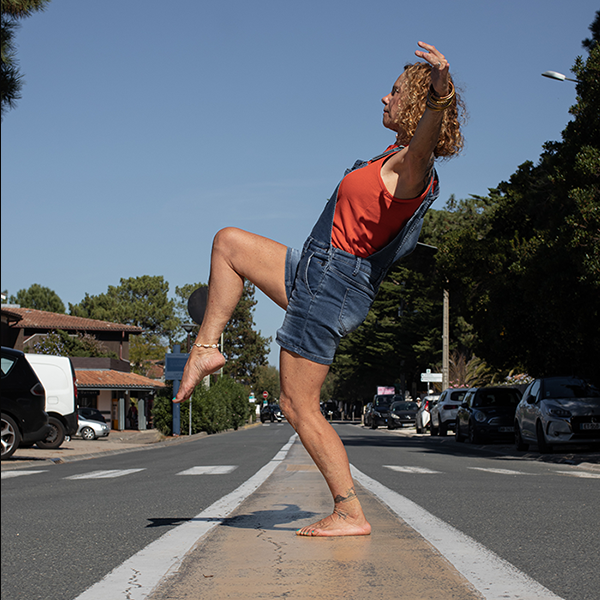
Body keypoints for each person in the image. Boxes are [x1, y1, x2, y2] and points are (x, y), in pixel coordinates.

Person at [174, 41, 464, 537]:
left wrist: (440, 95)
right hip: (315, 267)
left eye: (393, 92)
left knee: (296, 404)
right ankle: (206, 348)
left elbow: (422, 146)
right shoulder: (389, 156)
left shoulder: (410, 168)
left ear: (415, 104)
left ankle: (349, 511)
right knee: (228, 244)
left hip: (333, 283)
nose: (383, 99)